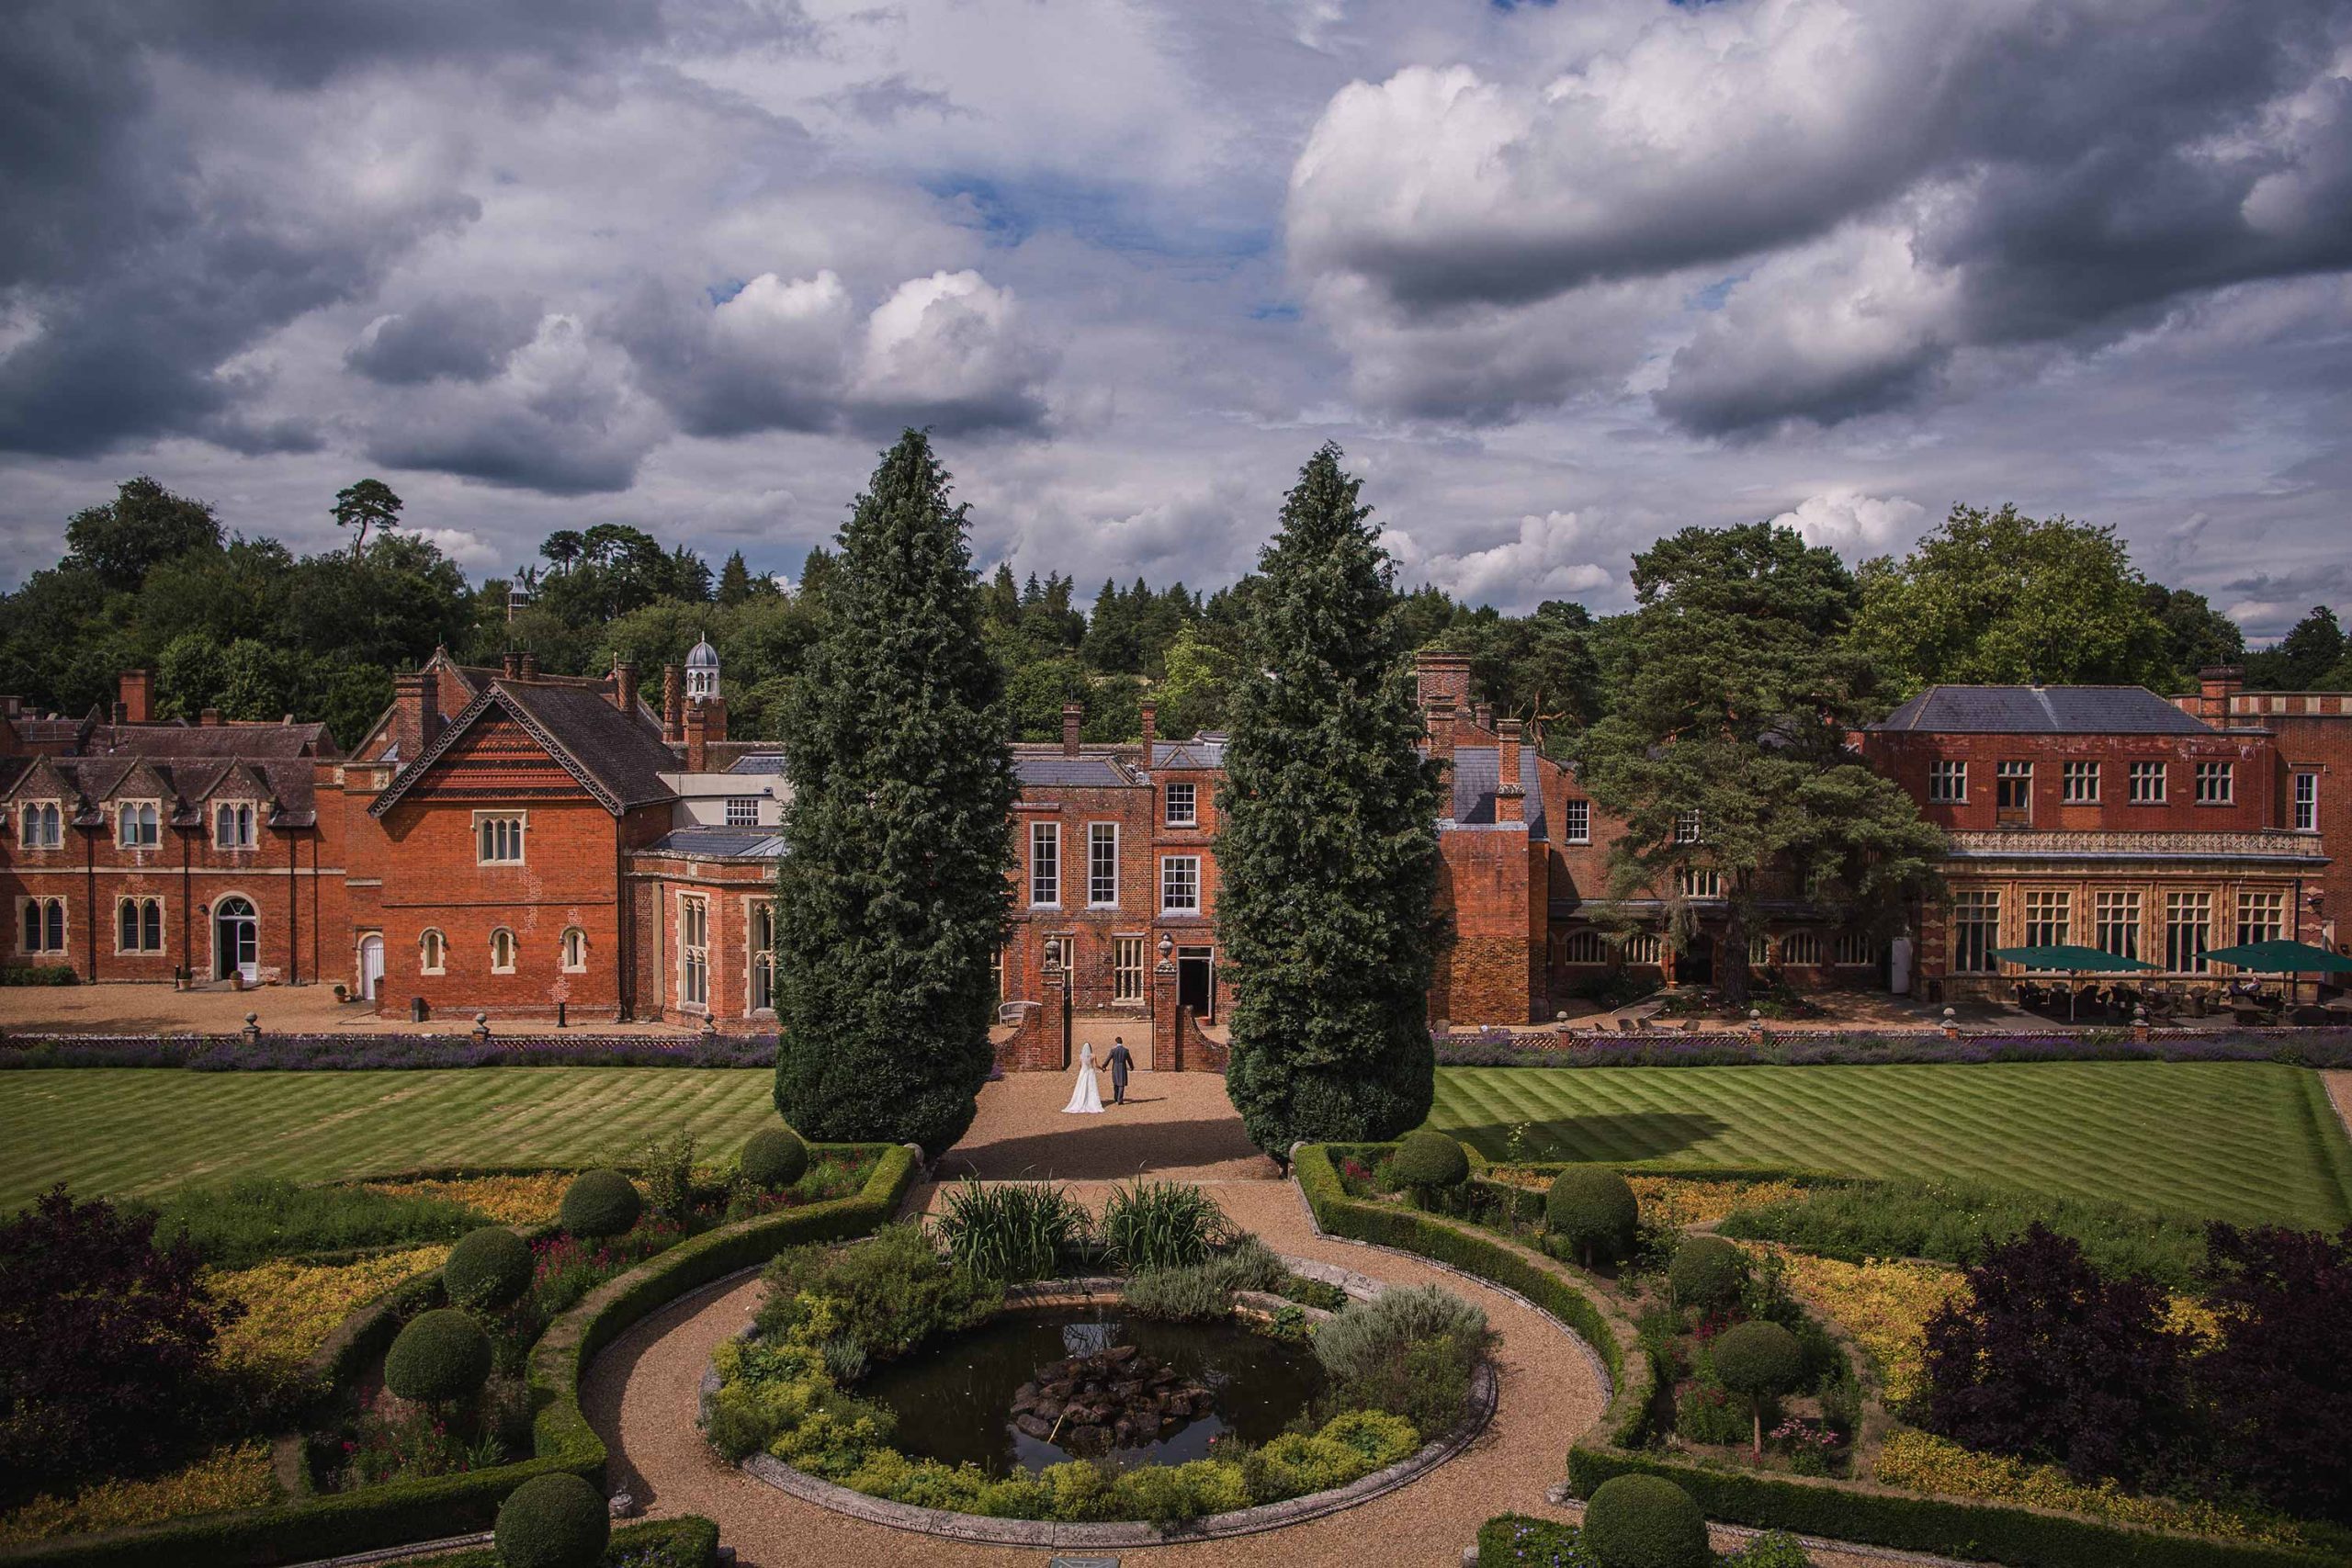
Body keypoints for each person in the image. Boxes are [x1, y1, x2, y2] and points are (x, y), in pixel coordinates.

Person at [1061, 1040, 1104, 1115]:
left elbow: (1080, 1065)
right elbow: (1096, 1065)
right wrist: (1102, 1068)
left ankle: (1081, 1100)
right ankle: (1092, 1101)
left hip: (1083, 1072)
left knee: (1081, 1087)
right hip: (1090, 1072)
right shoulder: (1093, 1055)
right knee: (1091, 1088)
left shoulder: (1081, 1056)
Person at [1105, 1037, 1134, 1105]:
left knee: (1115, 1082)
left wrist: (1104, 1066)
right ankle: (1120, 1099)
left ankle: (1116, 1097)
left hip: (1115, 1067)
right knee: (1121, 1084)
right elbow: (1129, 1060)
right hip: (1122, 1067)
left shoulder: (1113, 1050)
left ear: (1116, 1042)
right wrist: (1131, 1067)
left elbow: (1108, 1059)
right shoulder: (1125, 1050)